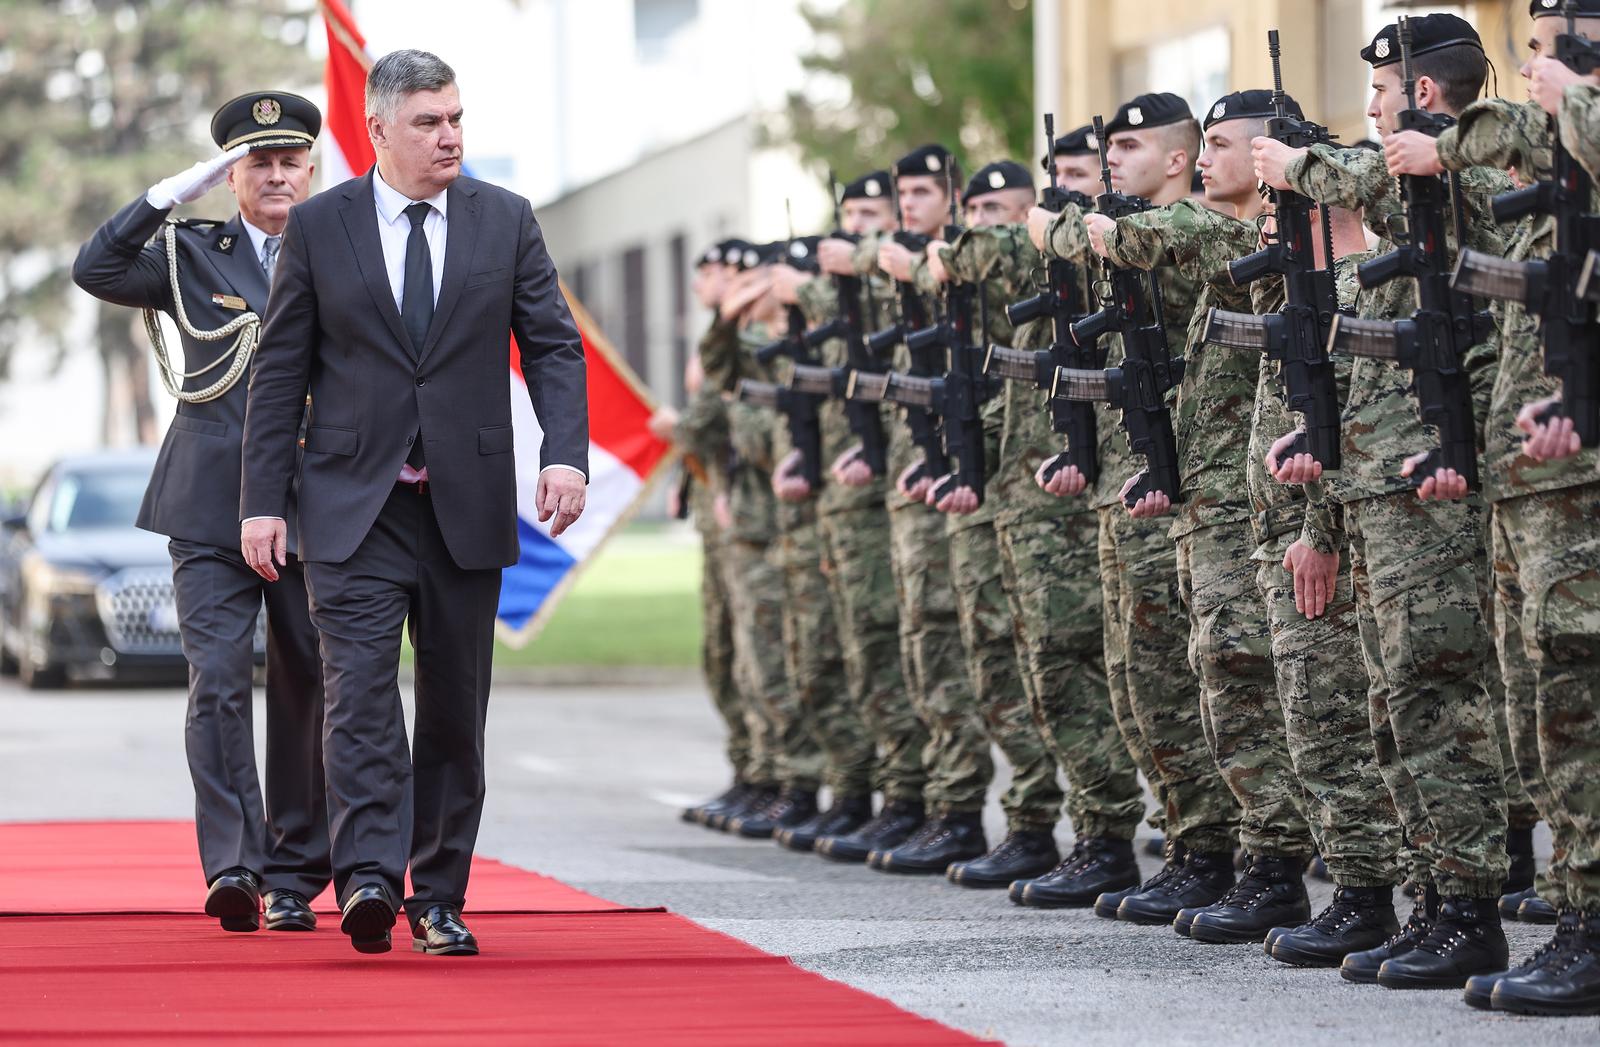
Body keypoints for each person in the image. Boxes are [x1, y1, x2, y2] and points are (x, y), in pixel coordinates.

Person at [239, 50, 589, 956]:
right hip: (353, 505)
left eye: (457, 119)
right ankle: (364, 879)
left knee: (451, 713)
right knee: (356, 701)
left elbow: (552, 345)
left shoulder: (503, 221)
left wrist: (566, 456)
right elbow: (279, 373)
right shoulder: (321, 227)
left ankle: (436, 895)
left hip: (464, 507)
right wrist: (262, 501)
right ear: (380, 129)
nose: (451, 137)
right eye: (431, 122)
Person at [1256, 12, 1515, 990]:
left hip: (1436, 503)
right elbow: (1367, 382)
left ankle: (1469, 908)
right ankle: (1427, 902)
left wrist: (1303, 167)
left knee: (1439, 707)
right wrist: (1318, 466)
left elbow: (1400, 179)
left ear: (1426, 95)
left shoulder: (1469, 187)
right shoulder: (1402, 219)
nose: (1367, 113)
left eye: (1380, 95)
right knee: (1393, 709)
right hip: (1378, 497)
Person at [1379, 2, 1600, 1014]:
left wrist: (1578, 105)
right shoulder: (1546, 150)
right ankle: (1570, 911)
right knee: (1544, 703)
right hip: (1533, 473)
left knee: (1575, 700)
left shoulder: (1566, 131)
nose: (1538, 72)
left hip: (1575, 475)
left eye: (1553, 53)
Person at [72, 91, 331, 935]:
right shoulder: (192, 252)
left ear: (313, 169)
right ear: (232, 177)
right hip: (210, 504)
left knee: (309, 686)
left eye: (291, 161)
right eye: (259, 163)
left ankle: (294, 870)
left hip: (313, 507)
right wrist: (165, 196)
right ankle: (234, 864)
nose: (278, 176)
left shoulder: (341, 252)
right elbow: (97, 269)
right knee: (217, 682)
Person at [1034, 93, 1243, 926]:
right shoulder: (1134, 231)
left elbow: (1107, 233)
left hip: (1199, 482)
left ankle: (1216, 849)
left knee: (1184, 673)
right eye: (1106, 148)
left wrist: (1063, 222)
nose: (1111, 158)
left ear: (1176, 159)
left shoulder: (1194, 230)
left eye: (1126, 147)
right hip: (1147, 479)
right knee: (1138, 679)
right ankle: (1188, 842)